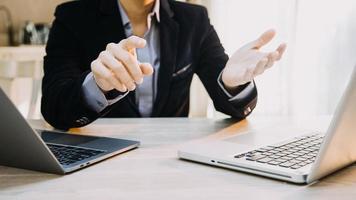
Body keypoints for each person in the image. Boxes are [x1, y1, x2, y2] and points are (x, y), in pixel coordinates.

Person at [41, 0, 286, 130]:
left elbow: (230, 105)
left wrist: (233, 83)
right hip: (96, 163)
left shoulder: (194, 19)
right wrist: (97, 87)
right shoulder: (72, 17)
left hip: (173, 160)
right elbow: (54, 107)